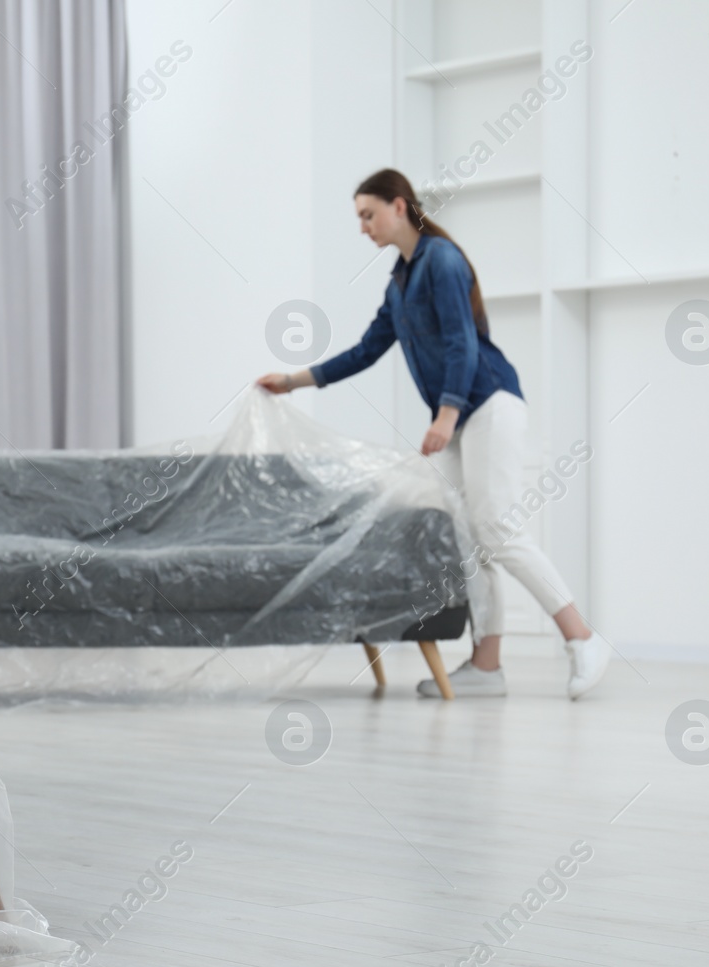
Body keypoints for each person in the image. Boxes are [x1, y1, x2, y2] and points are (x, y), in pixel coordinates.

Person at [258, 168, 609, 699]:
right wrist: (292, 381)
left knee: (497, 528)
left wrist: (445, 415)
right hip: (463, 415)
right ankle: (487, 667)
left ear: (400, 207)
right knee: (466, 537)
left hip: (488, 403)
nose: (363, 227)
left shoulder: (440, 261)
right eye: (359, 218)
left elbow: (463, 344)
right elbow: (365, 351)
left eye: (367, 214)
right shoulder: (399, 283)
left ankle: (582, 638)